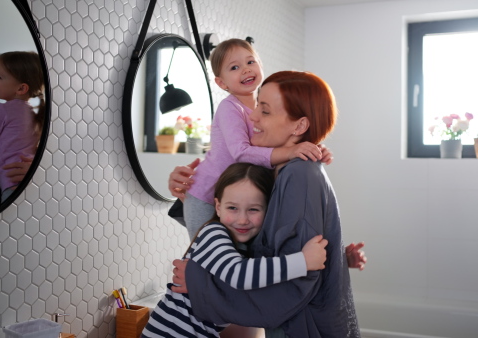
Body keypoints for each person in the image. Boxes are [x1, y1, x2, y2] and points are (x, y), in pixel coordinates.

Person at [169, 71, 362, 337]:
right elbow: (261, 241)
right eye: (258, 105)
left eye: (266, 111)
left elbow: (295, 284)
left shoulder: (299, 175)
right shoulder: (282, 172)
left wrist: (200, 284)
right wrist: (189, 190)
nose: (253, 116)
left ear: (299, 126)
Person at [141, 162, 329, 338]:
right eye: (232, 208)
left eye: (253, 210)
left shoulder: (244, 245)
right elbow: (238, 274)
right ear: (218, 207)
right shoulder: (213, 233)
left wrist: (342, 257)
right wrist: (303, 261)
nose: (242, 220)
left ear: (268, 212)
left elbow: (262, 271)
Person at [180, 39, 327, 239]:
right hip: (205, 195)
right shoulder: (229, 108)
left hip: (237, 198)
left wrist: (312, 148)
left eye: (251, 62)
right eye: (234, 67)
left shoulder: (263, 106)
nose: (246, 70)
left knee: (232, 252)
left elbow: (283, 137)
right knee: (204, 249)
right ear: (221, 83)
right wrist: (291, 151)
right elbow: (241, 153)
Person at [0, 51, 45, 202]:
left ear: (21, 89)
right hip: (32, 183)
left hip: (11, 184)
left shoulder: (1, 110)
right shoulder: (34, 113)